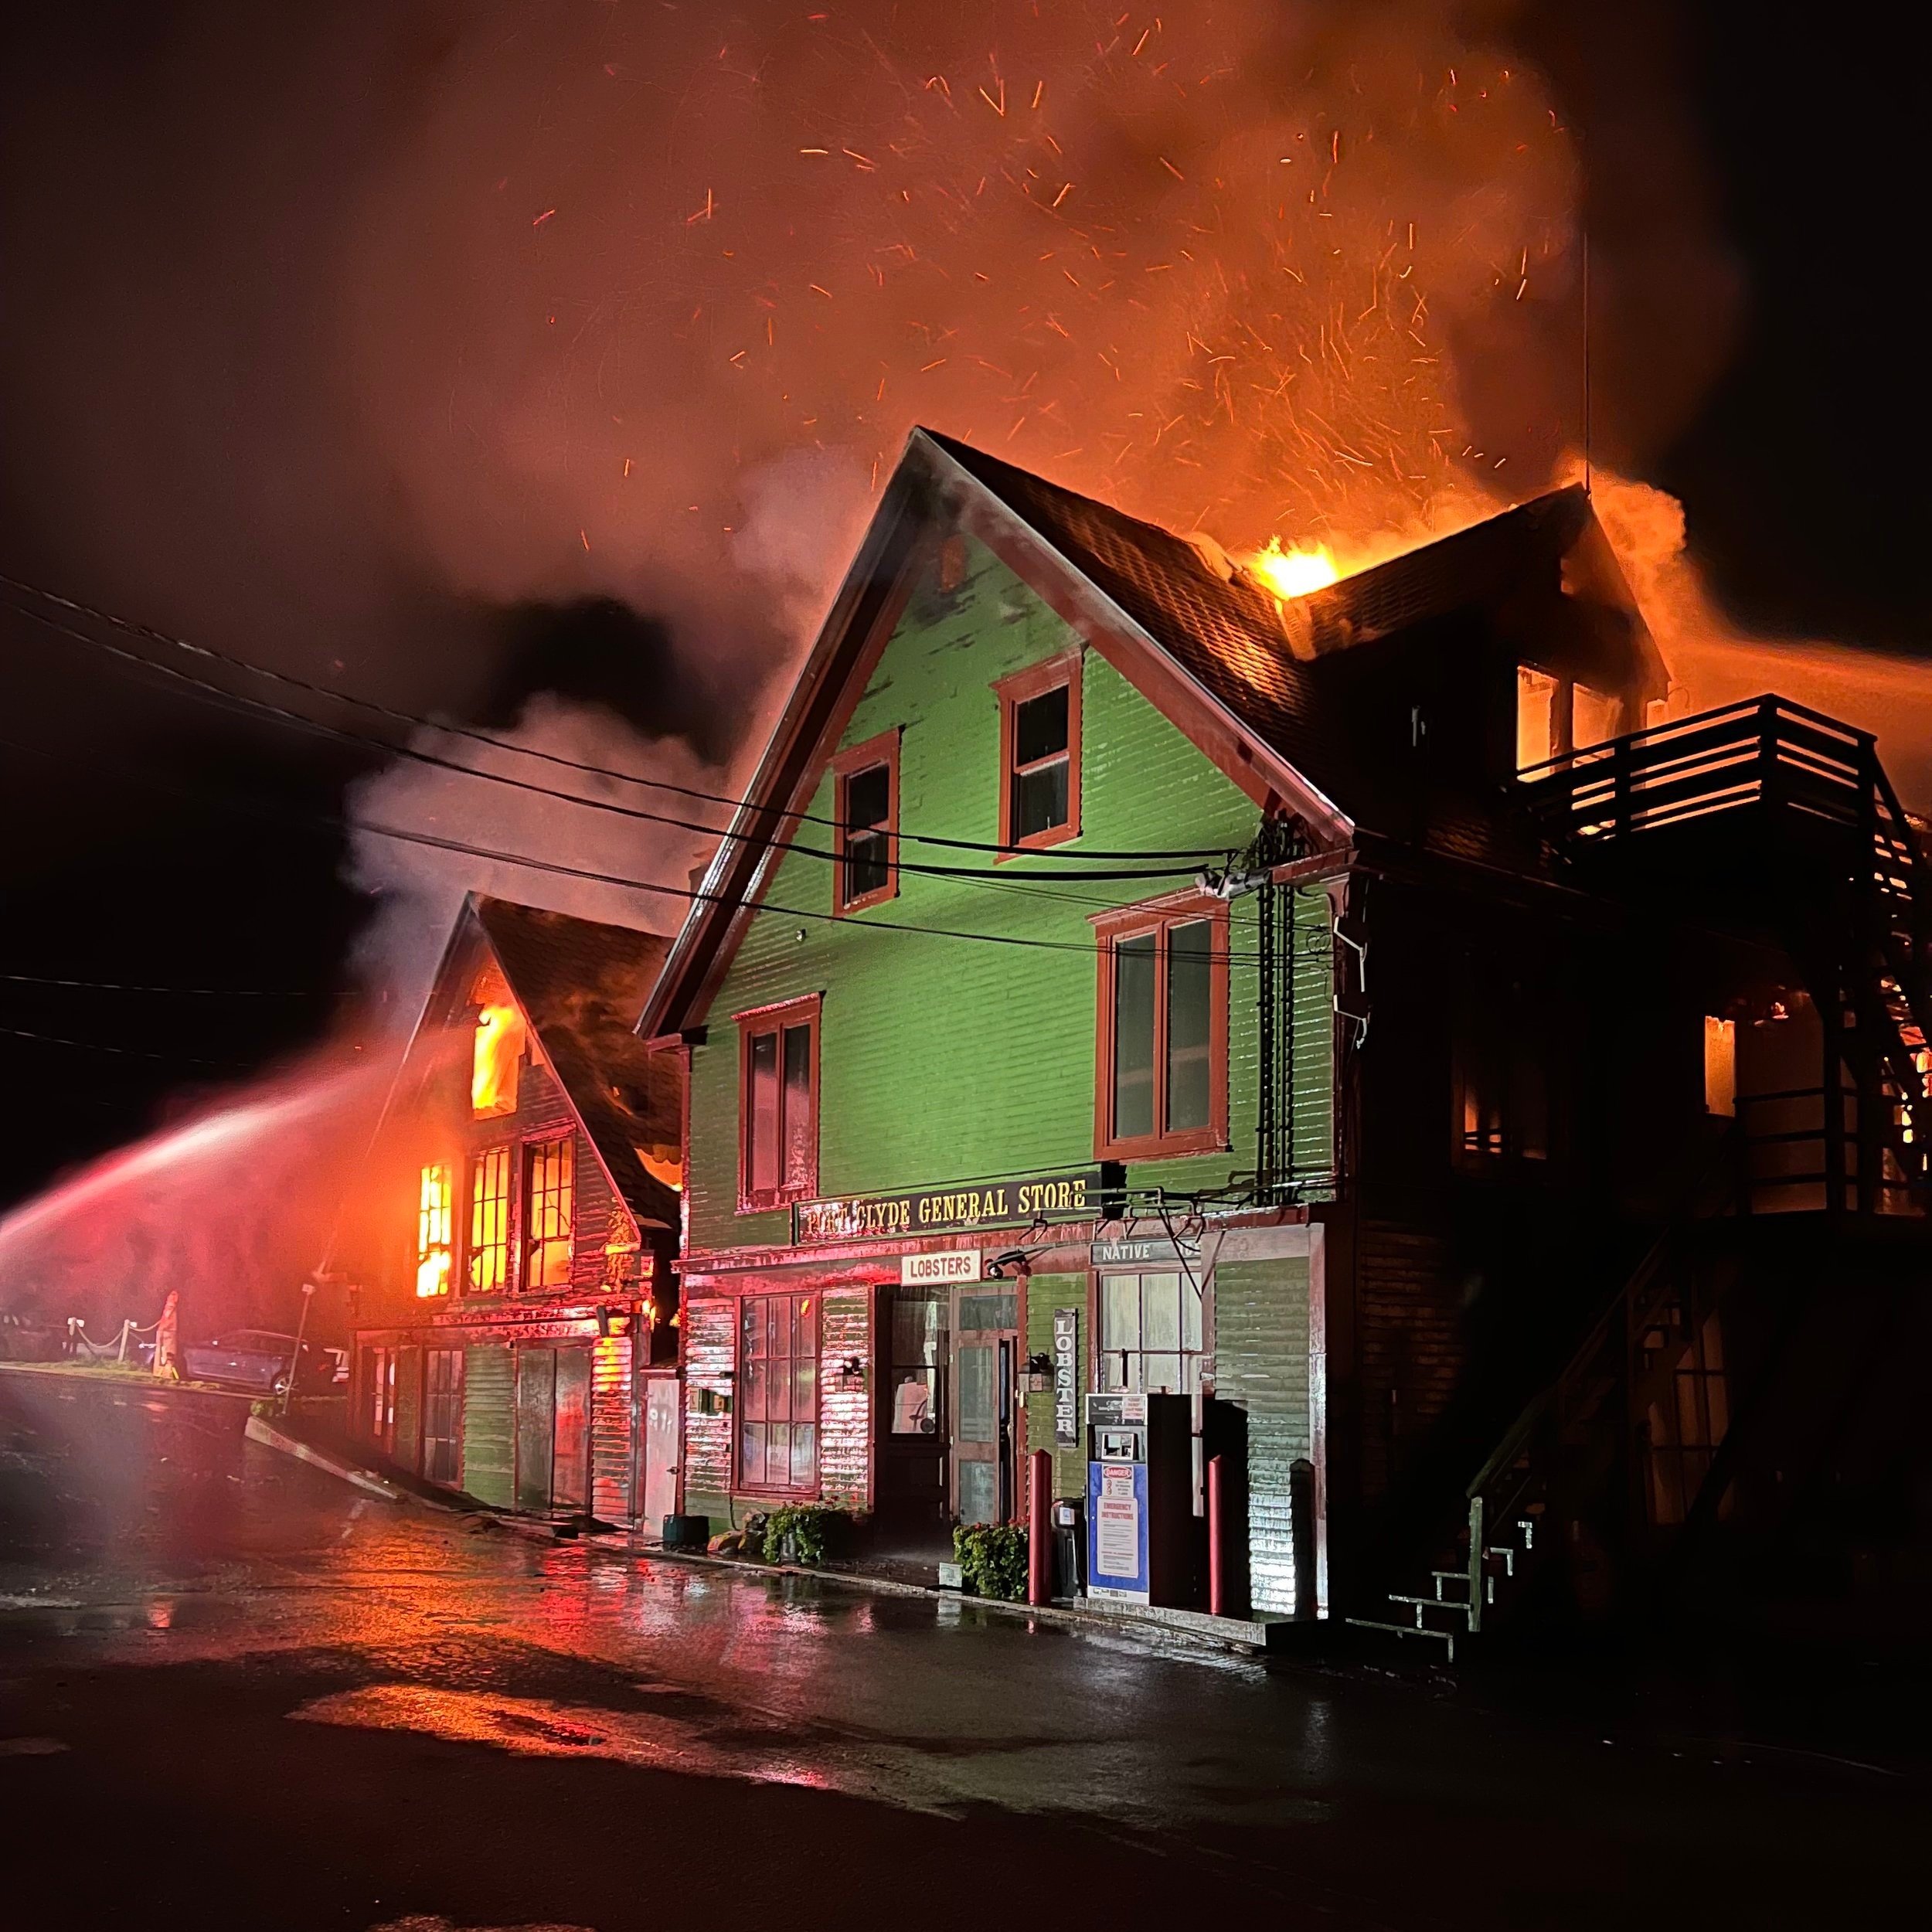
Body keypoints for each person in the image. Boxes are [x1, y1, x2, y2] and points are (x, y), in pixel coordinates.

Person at [151, 1290, 180, 1381]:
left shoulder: (170, 1306)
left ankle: (161, 1372)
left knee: (163, 1353)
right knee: (168, 1353)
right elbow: (167, 1317)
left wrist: (162, 1328)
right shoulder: (172, 1306)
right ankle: (166, 1373)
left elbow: (166, 1317)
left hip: (166, 1331)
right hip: (168, 1331)